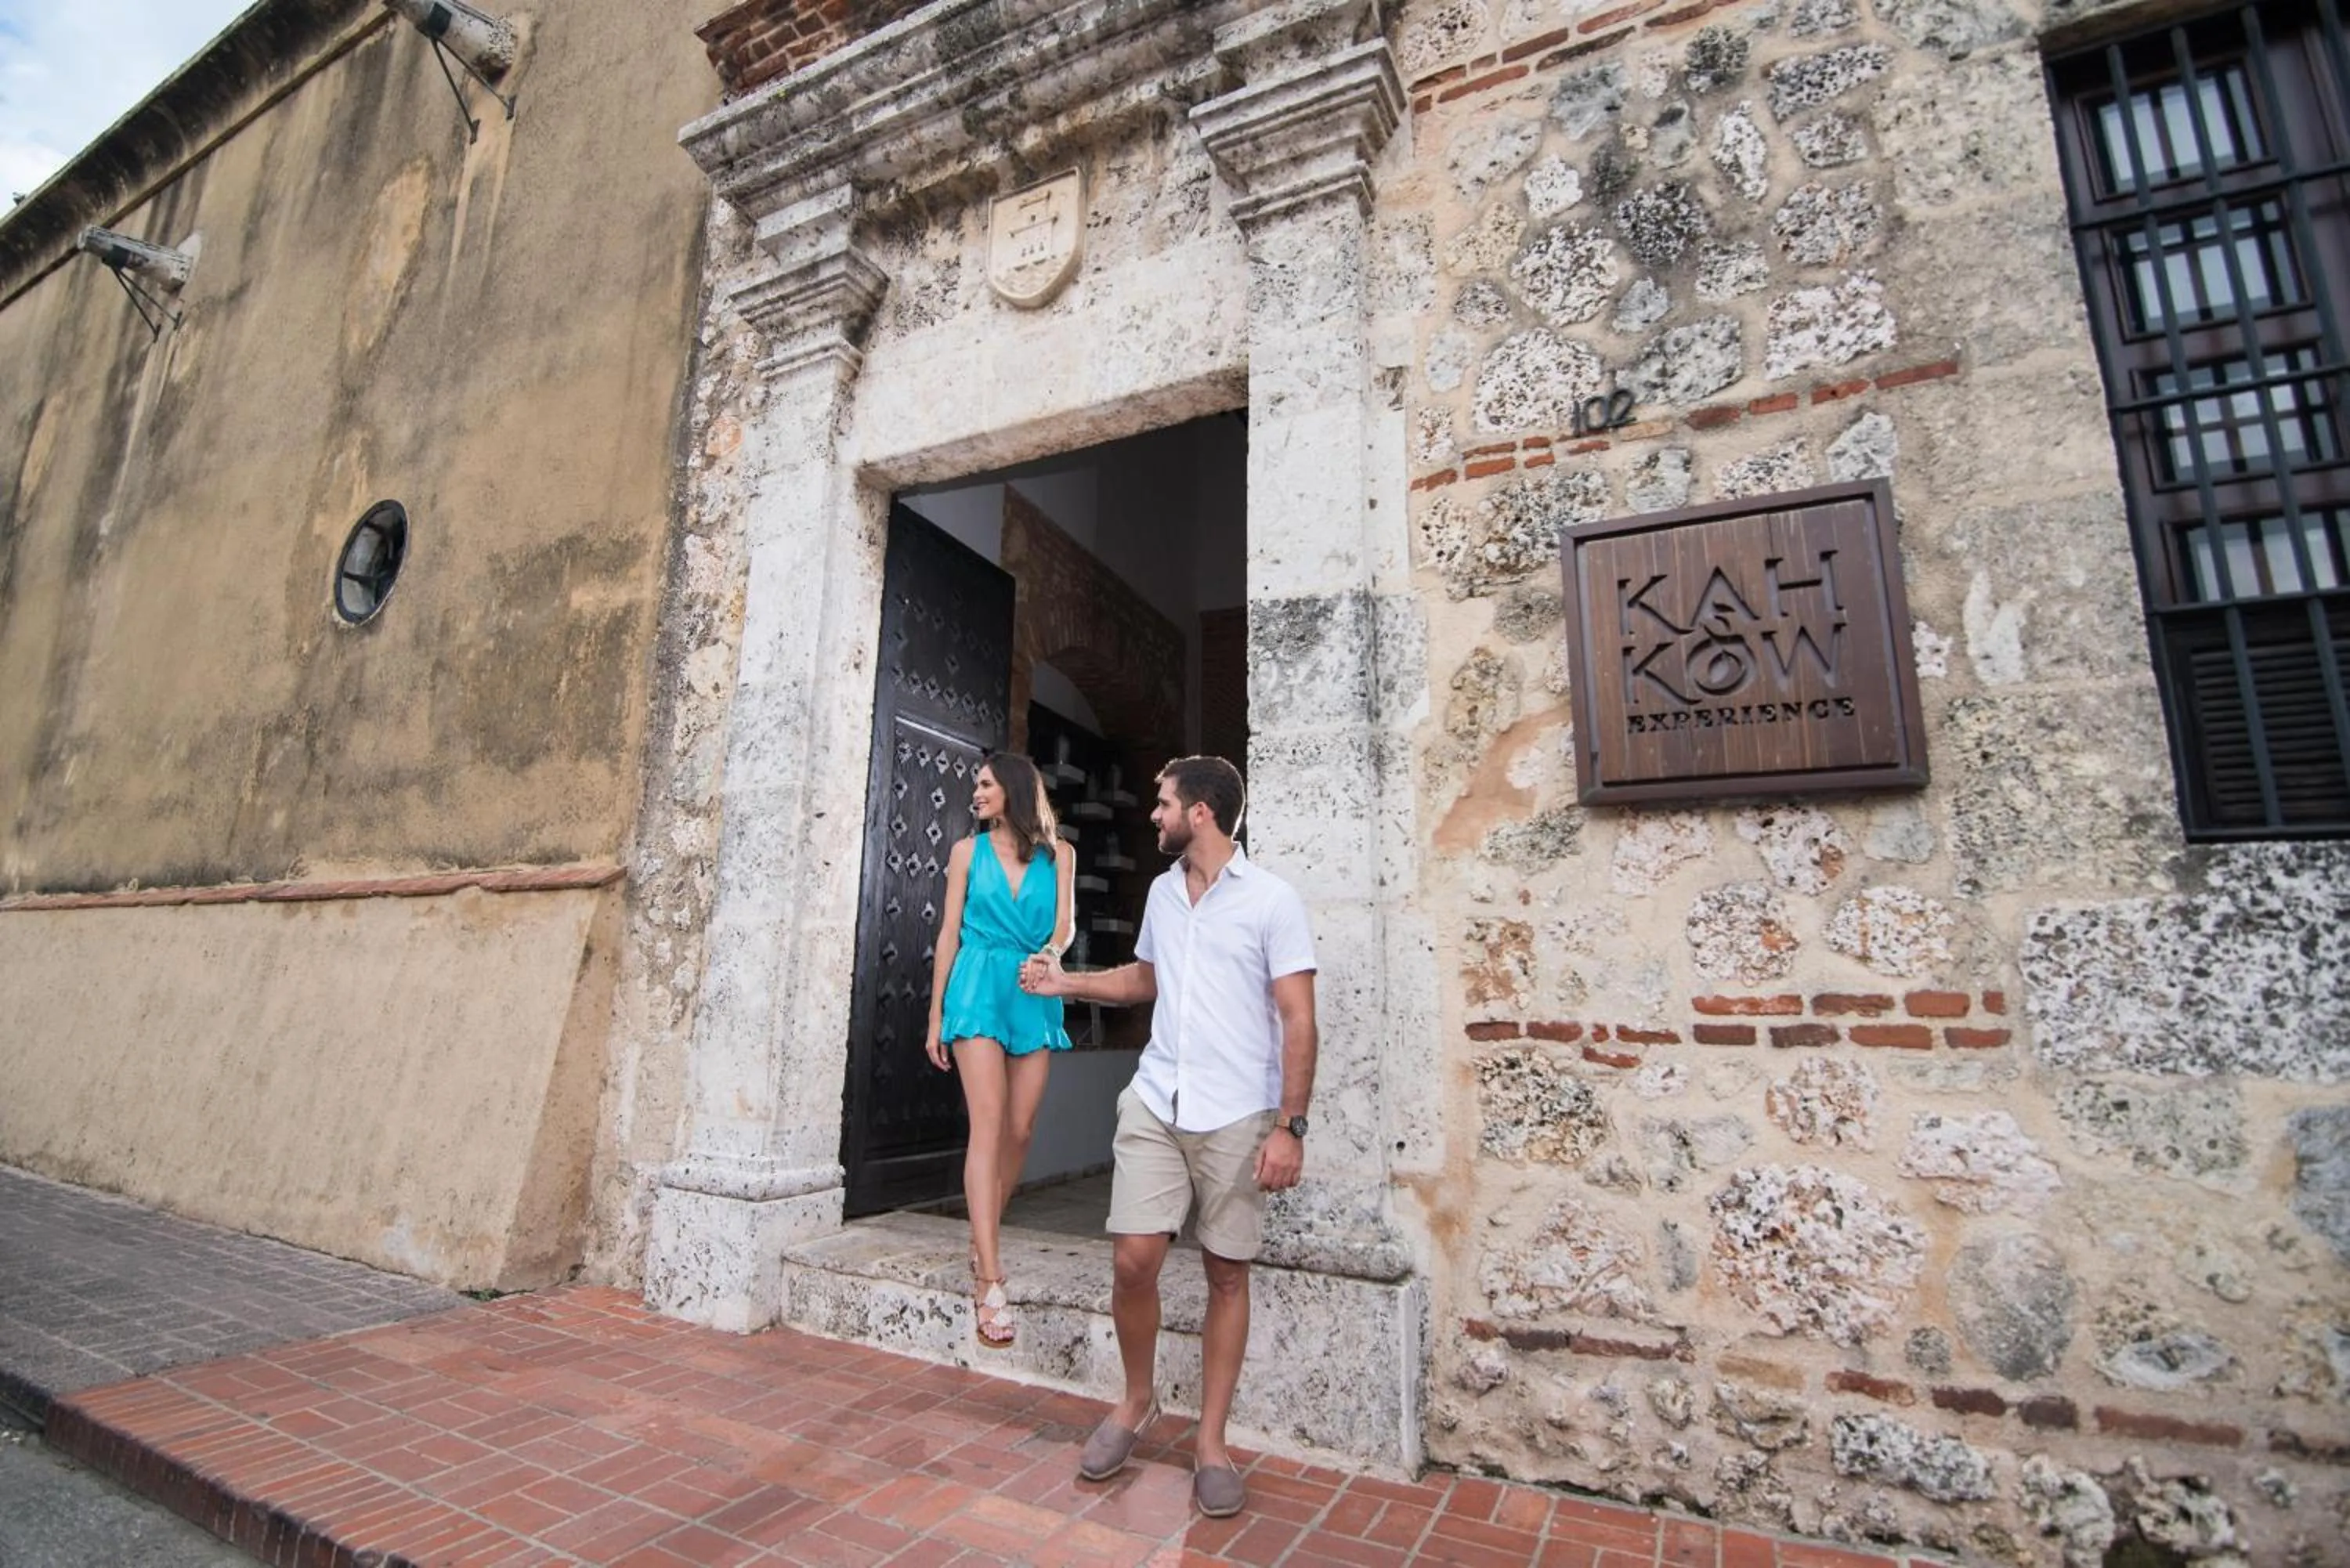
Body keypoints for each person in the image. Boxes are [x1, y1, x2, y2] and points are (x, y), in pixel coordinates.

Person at [1019, 755, 1317, 1519]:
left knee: (1226, 1273)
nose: (1153, 814)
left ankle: (1211, 1444)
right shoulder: (1160, 891)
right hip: (1157, 1098)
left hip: (1239, 1111)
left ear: (1202, 812)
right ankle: (1136, 1400)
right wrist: (1067, 981)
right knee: (1133, 1259)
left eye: (1163, 803)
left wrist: (1289, 1126)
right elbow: (1144, 980)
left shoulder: (1273, 900)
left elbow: (1298, 1018)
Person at [924, 752, 1076, 1349]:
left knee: (1020, 1128)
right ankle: (989, 1277)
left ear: (1013, 788)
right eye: (976, 785)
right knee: (987, 1125)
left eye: (986, 784)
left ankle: (981, 1232)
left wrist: (1051, 955)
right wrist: (936, 1013)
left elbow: (1064, 926)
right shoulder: (967, 852)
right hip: (977, 985)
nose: (977, 792)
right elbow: (948, 933)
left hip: (1033, 989)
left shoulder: (1060, 855)